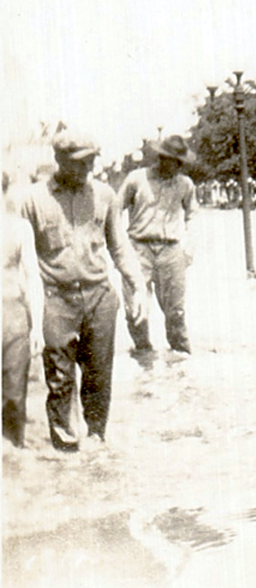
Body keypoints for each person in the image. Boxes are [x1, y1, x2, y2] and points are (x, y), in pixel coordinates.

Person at [20, 131, 144, 452]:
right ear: (60, 160)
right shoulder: (32, 200)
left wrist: (137, 285)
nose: (87, 169)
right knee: (59, 379)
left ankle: (97, 441)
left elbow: (119, 247)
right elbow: (21, 259)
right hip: (55, 299)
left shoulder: (104, 195)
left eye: (90, 162)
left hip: (100, 296)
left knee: (99, 376)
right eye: (80, 163)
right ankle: (66, 449)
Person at [116, 134, 198, 357]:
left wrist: (189, 248)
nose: (174, 166)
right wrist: (120, 247)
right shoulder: (137, 179)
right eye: (170, 160)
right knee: (135, 307)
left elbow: (193, 215)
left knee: (176, 310)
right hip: (138, 248)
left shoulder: (185, 184)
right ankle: (144, 356)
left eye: (179, 162)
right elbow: (115, 210)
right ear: (162, 158)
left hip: (171, 250)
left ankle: (180, 357)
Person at [3, 170, 42, 448]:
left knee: (14, 395)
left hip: (12, 312)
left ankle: (13, 455)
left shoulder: (18, 228)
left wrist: (37, 325)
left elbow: (32, 277)